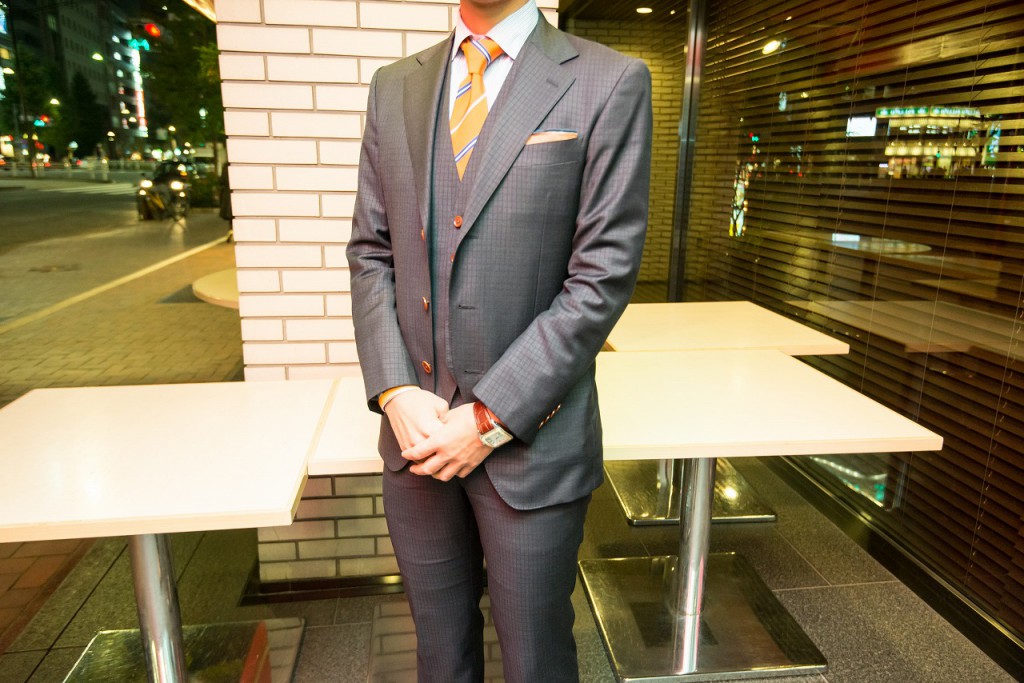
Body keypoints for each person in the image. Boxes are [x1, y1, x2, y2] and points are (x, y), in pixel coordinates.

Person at [346, 0, 651, 679]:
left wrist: (488, 418)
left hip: (532, 445)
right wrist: (394, 390)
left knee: (536, 657)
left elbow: (600, 278)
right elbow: (371, 253)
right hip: (416, 437)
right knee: (439, 653)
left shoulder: (609, 80)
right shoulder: (394, 86)